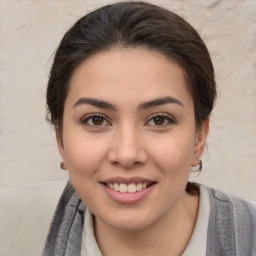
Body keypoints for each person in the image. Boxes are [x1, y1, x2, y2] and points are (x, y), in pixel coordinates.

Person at [0, 2, 255, 256]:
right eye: (96, 120)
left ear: (199, 136)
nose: (127, 154)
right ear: (60, 139)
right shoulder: (10, 229)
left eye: (159, 120)